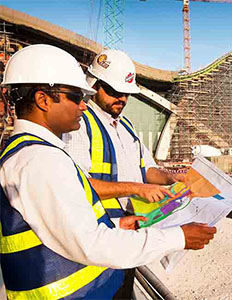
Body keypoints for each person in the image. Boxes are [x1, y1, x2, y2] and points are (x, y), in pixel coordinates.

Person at [0, 44, 216, 299]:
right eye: (76, 96)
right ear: (43, 100)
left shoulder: (43, 151)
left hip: (111, 249)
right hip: (94, 265)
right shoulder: (42, 158)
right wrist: (178, 237)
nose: (82, 105)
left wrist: (118, 222)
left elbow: (65, 218)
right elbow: (90, 241)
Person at [63, 49, 185, 298]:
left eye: (126, 93)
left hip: (128, 234)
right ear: (93, 85)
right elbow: (76, 186)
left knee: (123, 290)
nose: (122, 99)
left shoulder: (126, 126)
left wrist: (173, 178)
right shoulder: (79, 126)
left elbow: (147, 169)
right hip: (100, 236)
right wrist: (136, 188)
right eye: (114, 91)